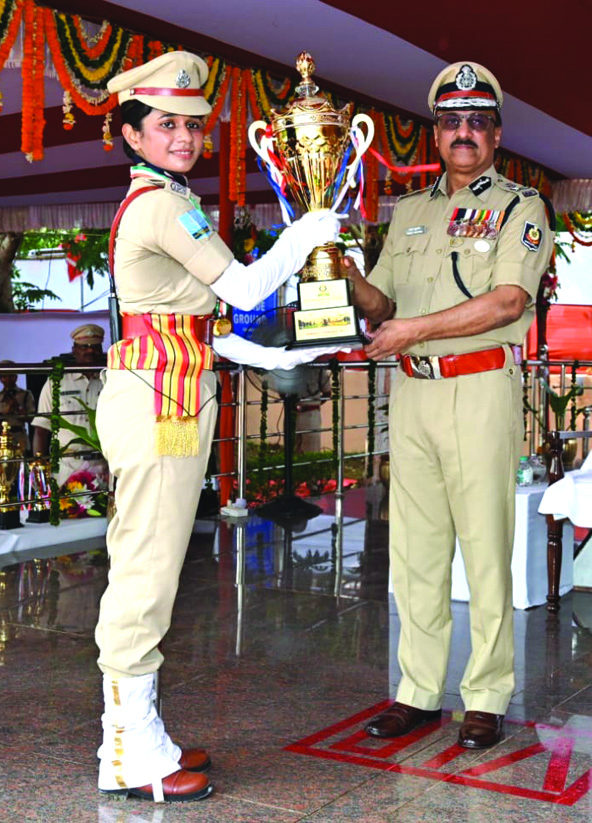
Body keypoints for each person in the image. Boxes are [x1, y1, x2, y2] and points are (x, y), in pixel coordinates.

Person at [96, 51, 341, 803]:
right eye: (166, 124)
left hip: (168, 397)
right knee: (146, 569)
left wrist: (300, 348)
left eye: (193, 124)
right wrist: (306, 233)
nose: (184, 136)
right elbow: (241, 287)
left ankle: (143, 734)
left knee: (157, 561)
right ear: (134, 135)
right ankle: (127, 754)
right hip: (157, 405)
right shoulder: (164, 205)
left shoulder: (169, 199)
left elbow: (195, 321)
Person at [345, 62, 552, 750]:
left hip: (477, 386)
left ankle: (487, 692)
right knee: (415, 549)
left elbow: (507, 301)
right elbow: (381, 304)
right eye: (451, 121)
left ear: (495, 134)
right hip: (412, 391)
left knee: (484, 546)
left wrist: (410, 329)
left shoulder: (520, 206)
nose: (464, 132)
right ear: (435, 133)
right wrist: (339, 272)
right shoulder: (409, 211)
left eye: (477, 121)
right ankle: (417, 690)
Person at [32, 324, 107, 486]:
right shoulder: (56, 382)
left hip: (104, 466)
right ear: (74, 350)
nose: (90, 351)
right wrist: (40, 470)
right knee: (68, 511)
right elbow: (42, 429)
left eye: (95, 347)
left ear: (101, 350)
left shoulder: (109, 381)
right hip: (68, 466)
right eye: (84, 347)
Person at [0, 360, 35, 455]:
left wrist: (18, 408)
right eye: (4, 376)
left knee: (22, 466)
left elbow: (32, 418)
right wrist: (6, 413)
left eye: (11, 376)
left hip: (19, 436)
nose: (7, 379)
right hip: (2, 438)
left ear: (16, 376)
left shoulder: (25, 395)